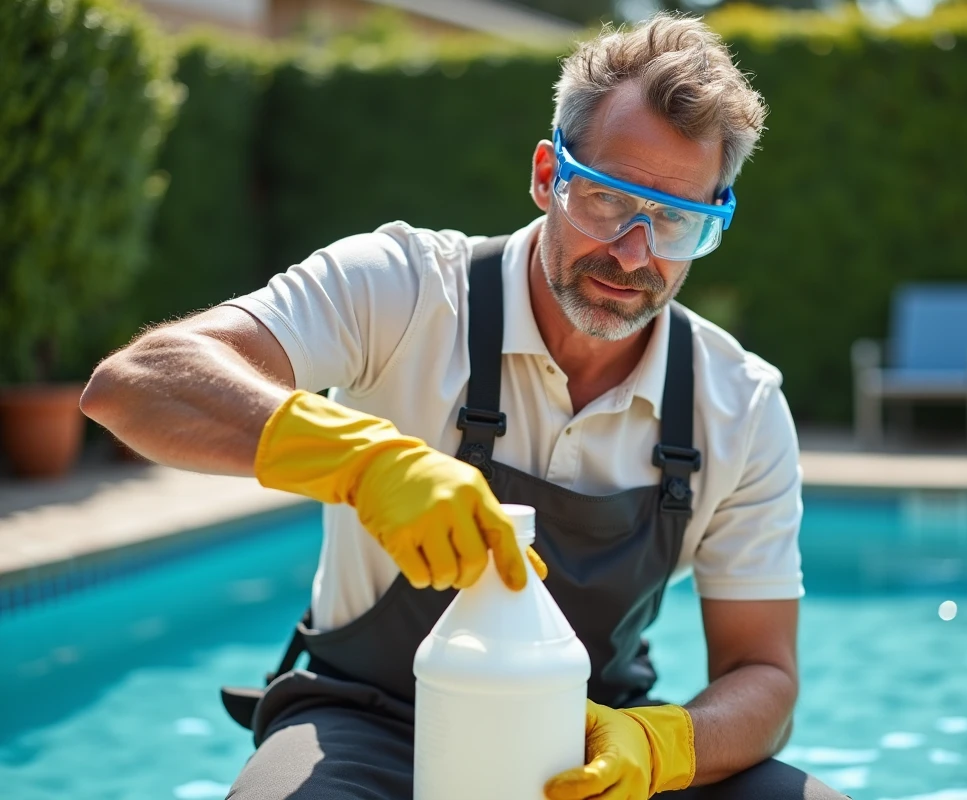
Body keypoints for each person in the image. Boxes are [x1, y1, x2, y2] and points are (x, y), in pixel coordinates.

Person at [81, 12, 847, 800]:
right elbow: (138, 380)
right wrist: (362, 462)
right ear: (549, 175)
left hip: (590, 737)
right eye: (607, 201)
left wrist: (660, 747)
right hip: (369, 725)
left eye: (678, 222)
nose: (633, 253)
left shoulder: (741, 404)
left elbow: (766, 674)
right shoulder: (402, 288)